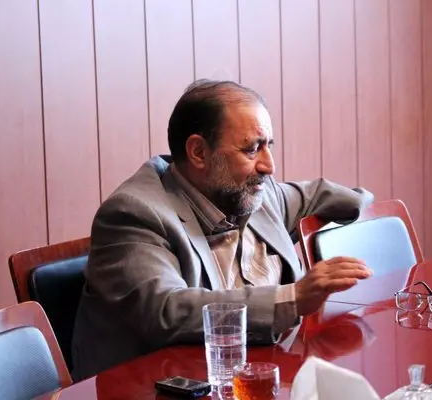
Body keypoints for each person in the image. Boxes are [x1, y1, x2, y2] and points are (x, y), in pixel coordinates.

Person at [71, 79, 374, 381]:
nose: (269, 166)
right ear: (199, 152)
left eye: (268, 146)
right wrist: (292, 298)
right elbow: (167, 311)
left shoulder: (256, 193)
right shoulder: (134, 214)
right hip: (156, 388)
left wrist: (362, 205)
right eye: (252, 149)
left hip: (253, 377)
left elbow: (332, 197)